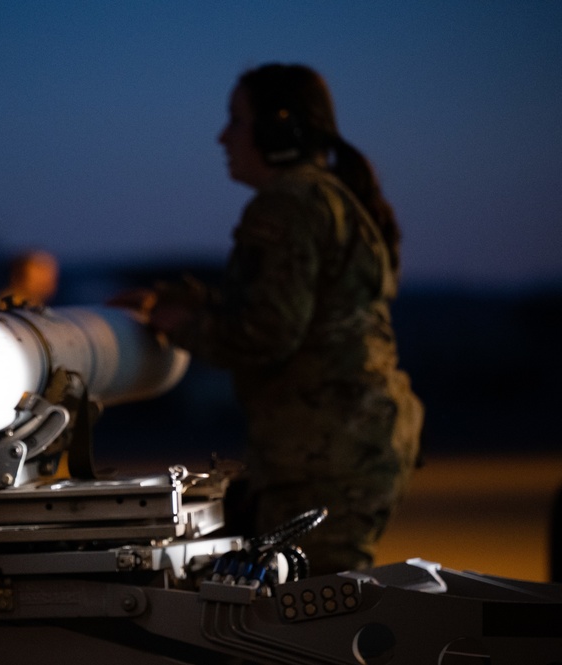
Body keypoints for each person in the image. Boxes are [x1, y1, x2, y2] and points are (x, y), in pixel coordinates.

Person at [116, 64, 423, 574]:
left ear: (278, 128)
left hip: (325, 459)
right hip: (349, 448)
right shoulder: (326, 196)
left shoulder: (288, 204)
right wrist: (180, 300)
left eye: (236, 121)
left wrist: (177, 325)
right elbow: (277, 299)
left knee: (310, 627)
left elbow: (266, 332)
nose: (223, 137)